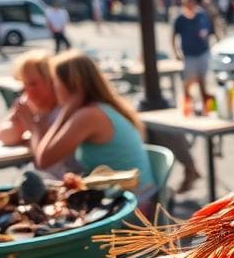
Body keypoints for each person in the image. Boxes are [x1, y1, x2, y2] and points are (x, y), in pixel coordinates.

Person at [25, 52, 156, 209]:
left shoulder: (88, 116)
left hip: (132, 205)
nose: (55, 89)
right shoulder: (102, 108)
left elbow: (44, 160)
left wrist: (54, 116)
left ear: (68, 85)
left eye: (55, 82)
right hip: (137, 196)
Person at [0, 50, 81, 179]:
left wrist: (32, 125)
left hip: (66, 180)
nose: (28, 91)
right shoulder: (33, 104)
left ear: (52, 81)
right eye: (24, 85)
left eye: (33, 84)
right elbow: (3, 135)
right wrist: (18, 117)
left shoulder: (66, 110)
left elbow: (46, 161)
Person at [171, 0, 212, 103]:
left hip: (203, 52)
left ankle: (205, 106)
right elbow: (173, 36)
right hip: (188, 55)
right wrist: (176, 53)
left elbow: (208, 30)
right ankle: (188, 104)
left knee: (203, 80)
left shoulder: (201, 15)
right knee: (188, 81)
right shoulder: (179, 18)